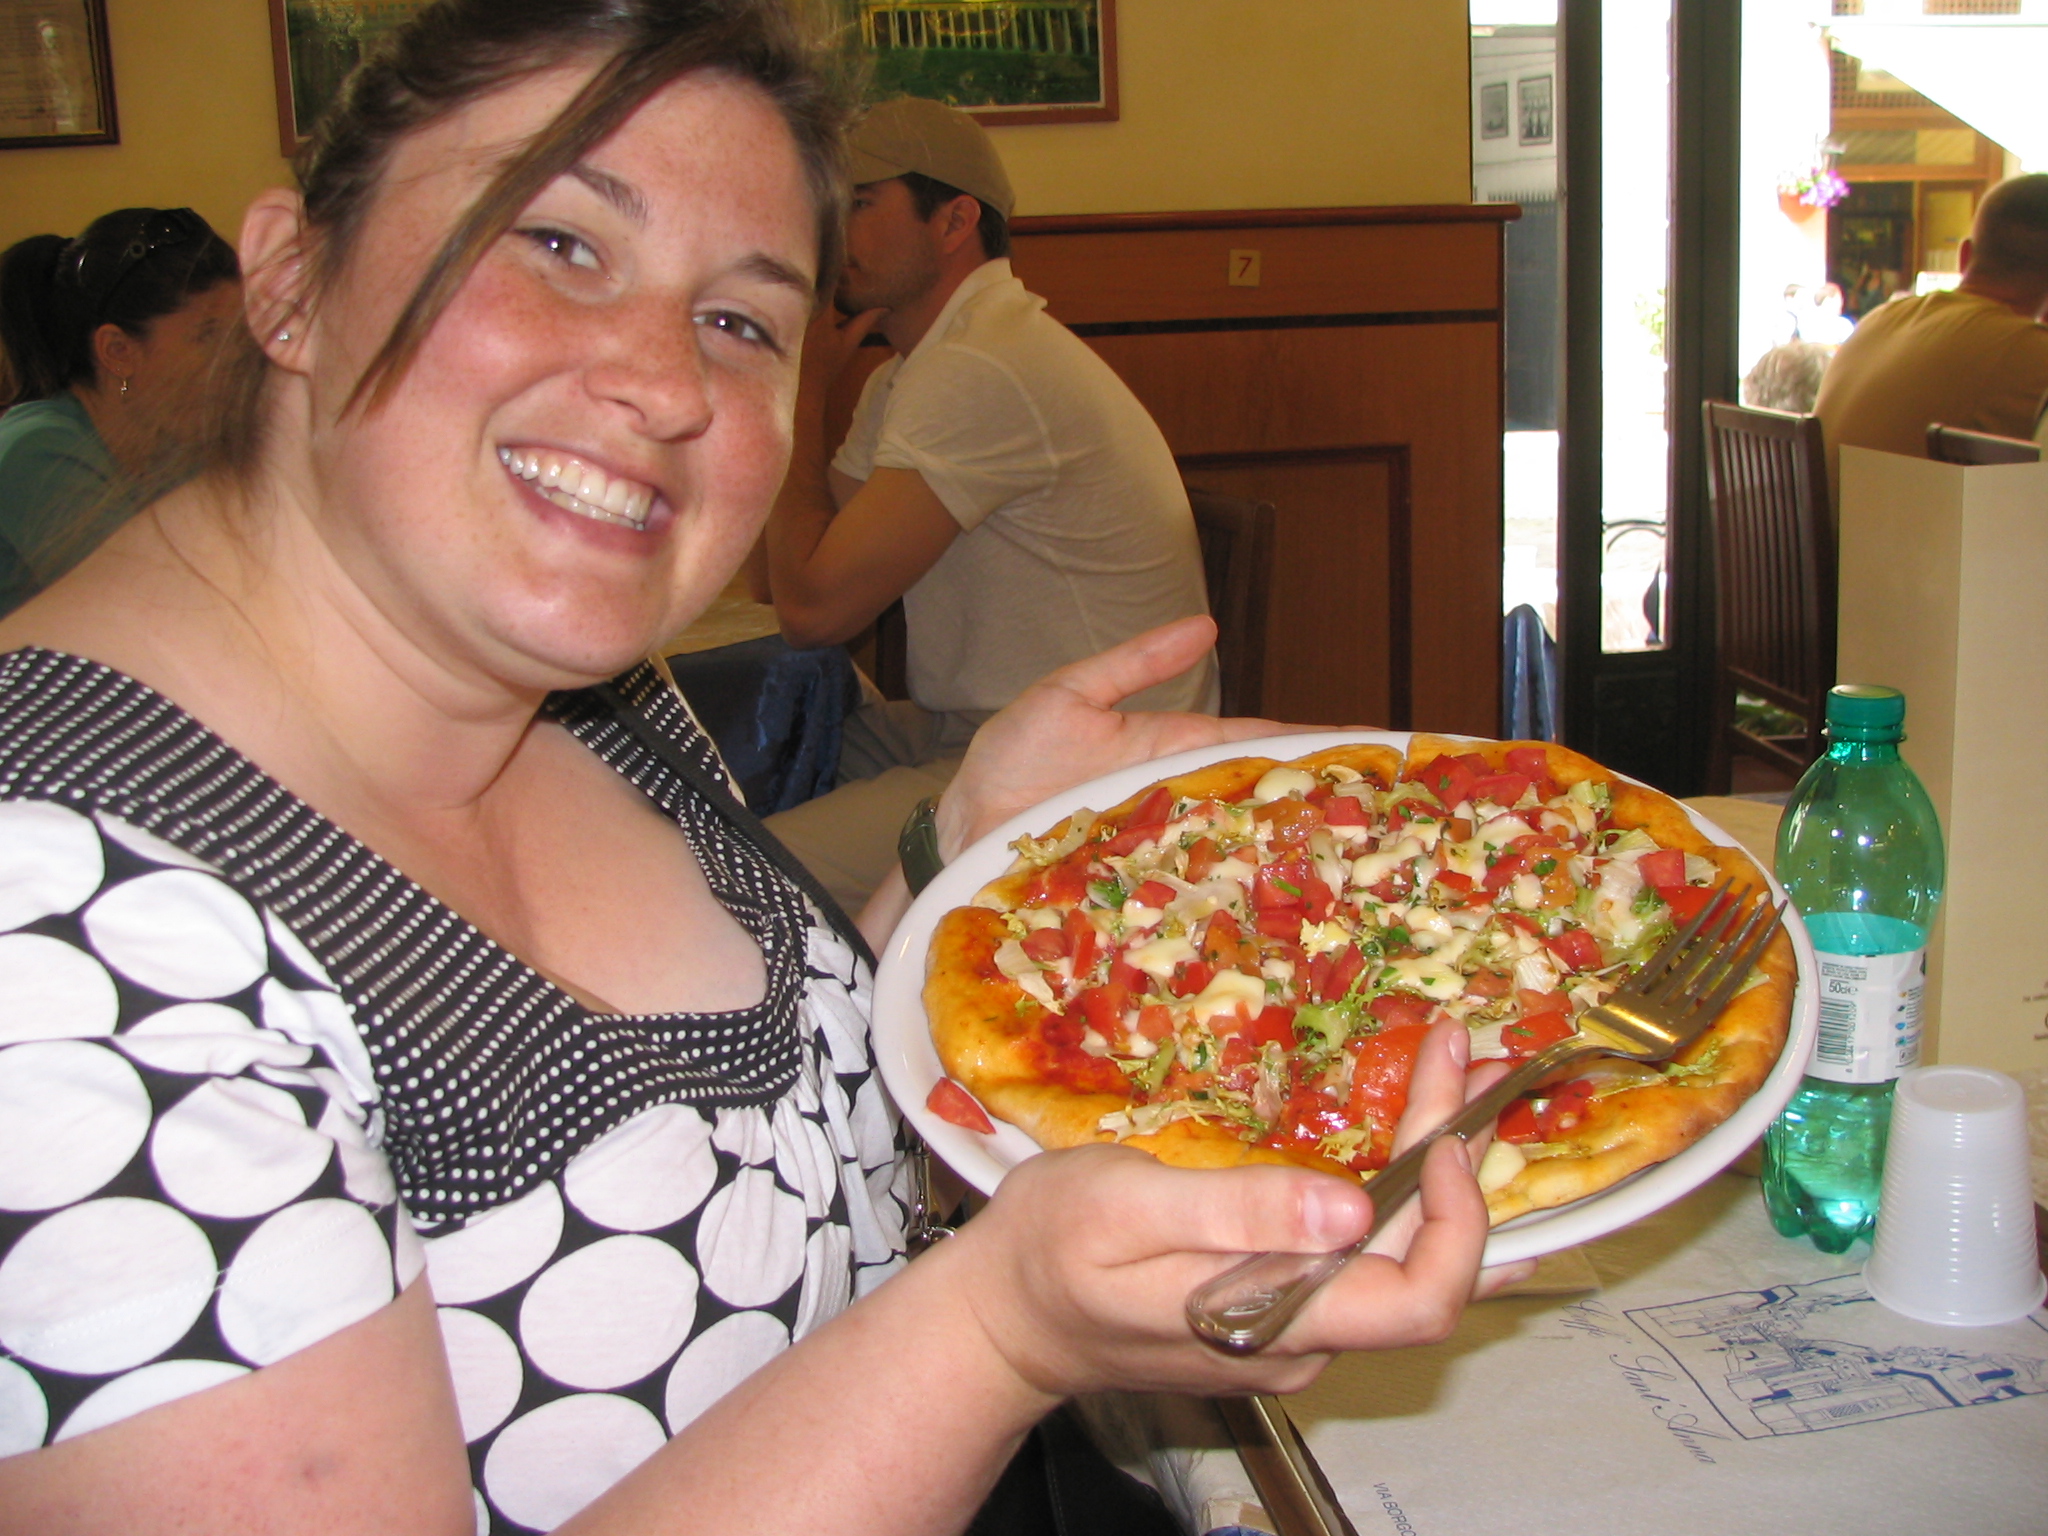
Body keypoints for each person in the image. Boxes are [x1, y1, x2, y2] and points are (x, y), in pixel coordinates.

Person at [0, 4, 1516, 1533]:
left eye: (741, 321)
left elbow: (744, 1140)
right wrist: (999, 1331)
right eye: (562, 244)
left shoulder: (571, 679)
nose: (668, 383)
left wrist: (960, 837)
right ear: (290, 278)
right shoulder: (50, 924)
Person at [757, 96, 1216, 913]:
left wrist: (801, 383)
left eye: (859, 205)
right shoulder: (917, 369)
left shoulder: (981, 366)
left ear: (954, 220)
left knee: (759, 873)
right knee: (742, 768)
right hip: (970, 723)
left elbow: (813, 608)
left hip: (1093, 762)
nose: (832, 236)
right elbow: (812, 560)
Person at [0, 207, 240, 614]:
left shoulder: (178, 449)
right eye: (208, 335)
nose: (236, 360)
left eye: (240, 335)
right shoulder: (37, 451)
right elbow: (157, 612)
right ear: (118, 352)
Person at [1814, 174, 2048, 509]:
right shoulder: (2026, 351)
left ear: (1964, 256)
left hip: (1824, 552)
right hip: (1897, 556)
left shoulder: (1882, 317)